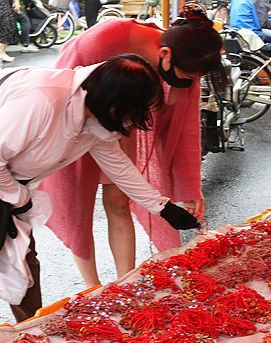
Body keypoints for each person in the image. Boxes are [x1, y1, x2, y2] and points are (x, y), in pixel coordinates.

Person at [0, 54, 199, 336]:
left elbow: (119, 166)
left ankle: (32, 331)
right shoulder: (42, 100)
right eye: (132, 111)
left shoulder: (95, 113)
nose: (132, 121)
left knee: (24, 257)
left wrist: (162, 208)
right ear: (114, 103)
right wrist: (18, 198)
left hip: (5, 170)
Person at [39, 9, 225, 287]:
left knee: (119, 201)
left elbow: (184, 129)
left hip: (121, 127)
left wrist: (188, 190)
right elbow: (64, 89)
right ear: (165, 54)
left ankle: (125, 282)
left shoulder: (188, 58)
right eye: (186, 76)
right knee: (77, 205)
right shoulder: (104, 39)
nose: (188, 83)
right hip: (74, 122)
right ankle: (92, 287)